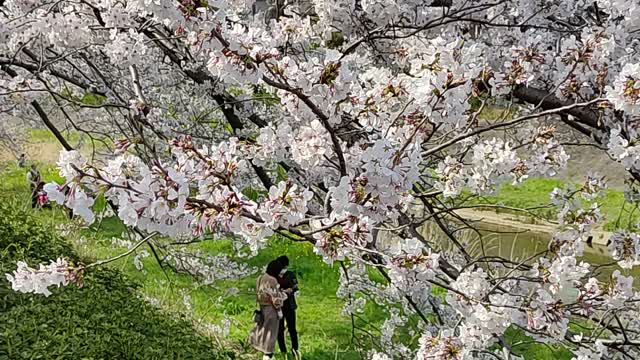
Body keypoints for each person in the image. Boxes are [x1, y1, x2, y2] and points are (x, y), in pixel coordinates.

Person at [249, 260, 288, 360]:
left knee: (262, 328)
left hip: (262, 307)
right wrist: (283, 298)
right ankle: (268, 353)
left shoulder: (260, 278)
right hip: (271, 309)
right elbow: (276, 299)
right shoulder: (272, 280)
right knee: (271, 331)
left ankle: (257, 346)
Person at [276, 255, 300, 360]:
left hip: (289, 305)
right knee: (279, 330)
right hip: (278, 306)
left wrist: (290, 290)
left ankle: (295, 350)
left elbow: (295, 287)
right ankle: (283, 351)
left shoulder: (290, 275)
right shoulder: (274, 276)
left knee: (292, 329)